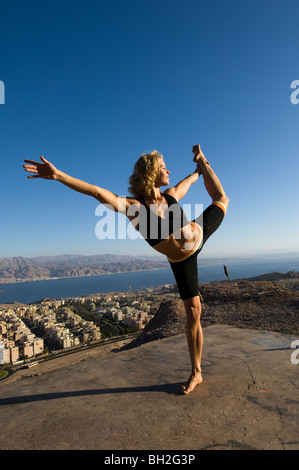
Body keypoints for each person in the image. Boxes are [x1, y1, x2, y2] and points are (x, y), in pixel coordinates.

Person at [23, 144, 229, 394]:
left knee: (222, 199)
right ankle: (197, 373)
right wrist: (58, 176)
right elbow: (98, 192)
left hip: (199, 235)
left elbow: (193, 178)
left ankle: (205, 160)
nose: (169, 171)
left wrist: (202, 167)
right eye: (164, 167)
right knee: (193, 312)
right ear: (151, 173)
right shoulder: (135, 208)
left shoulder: (172, 194)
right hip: (182, 260)